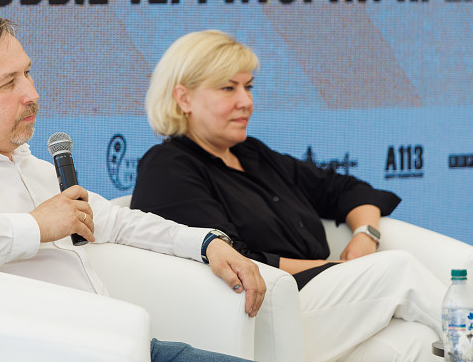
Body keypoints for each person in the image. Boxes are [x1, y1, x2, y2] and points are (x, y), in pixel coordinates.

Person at [0, 16, 265, 362]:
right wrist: (37, 226)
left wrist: (206, 243)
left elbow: (116, 222)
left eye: (27, 73)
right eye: (9, 83)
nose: (32, 93)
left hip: (124, 345)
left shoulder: (27, 165)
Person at [131, 30, 451, 362]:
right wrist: (336, 269)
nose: (246, 101)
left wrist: (365, 236)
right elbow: (236, 259)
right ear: (184, 99)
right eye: (228, 88)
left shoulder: (251, 153)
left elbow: (345, 190)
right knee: (399, 269)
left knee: (416, 341)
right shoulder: (167, 167)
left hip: (314, 305)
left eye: (248, 87)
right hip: (258, 316)